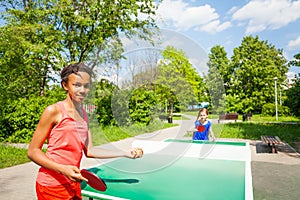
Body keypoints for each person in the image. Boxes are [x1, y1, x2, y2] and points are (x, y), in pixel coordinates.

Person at [27, 62, 143, 200]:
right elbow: (33, 151)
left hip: (74, 182)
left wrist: (124, 153)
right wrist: (63, 169)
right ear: (65, 85)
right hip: (51, 186)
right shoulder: (54, 111)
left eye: (86, 86)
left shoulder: (84, 115)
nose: (82, 90)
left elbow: (90, 151)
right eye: (76, 85)